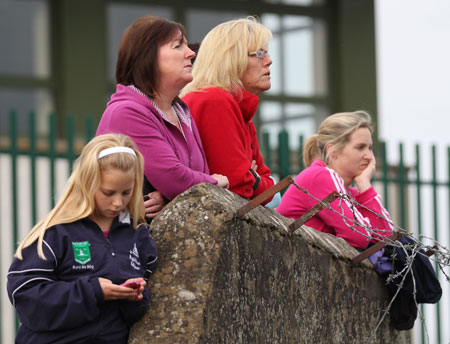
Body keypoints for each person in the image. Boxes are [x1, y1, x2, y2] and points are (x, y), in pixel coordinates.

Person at [7, 133, 158, 343]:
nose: (117, 202)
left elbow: (137, 316)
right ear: (87, 183)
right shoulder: (56, 232)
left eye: (126, 192)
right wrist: (93, 291)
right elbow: (25, 297)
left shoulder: (139, 236)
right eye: (108, 192)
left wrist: (134, 298)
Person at [97, 15, 229, 220]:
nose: (191, 53)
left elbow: (184, 185)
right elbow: (174, 179)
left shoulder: (181, 111)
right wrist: (214, 182)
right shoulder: (127, 112)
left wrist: (169, 199)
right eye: (178, 46)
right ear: (147, 56)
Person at [181, 17, 274, 203]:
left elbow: (269, 191)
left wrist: (253, 178)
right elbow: (238, 184)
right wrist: (253, 178)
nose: (269, 61)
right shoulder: (213, 100)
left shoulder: (239, 110)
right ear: (232, 59)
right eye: (260, 53)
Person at [276, 111, 393, 249]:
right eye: (360, 147)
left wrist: (364, 185)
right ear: (333, 151)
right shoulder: (320, 176)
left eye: (370, 148)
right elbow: (360, 237)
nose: (369, 156)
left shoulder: (352, 193)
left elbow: (388, 240)